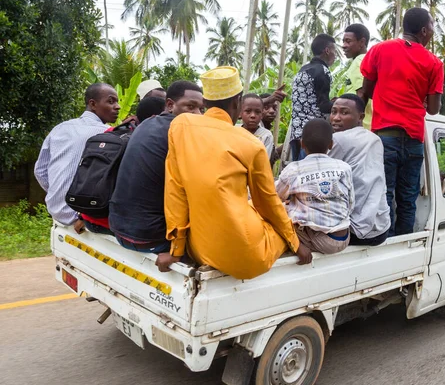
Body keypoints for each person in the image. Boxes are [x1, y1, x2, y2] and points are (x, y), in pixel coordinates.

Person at [160, 66, 312, 277]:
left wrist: (176, 250)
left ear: (205, 102)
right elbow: (267, 202)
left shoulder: (181, 126)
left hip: (199, 249)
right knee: (280, 219)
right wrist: (296, 245)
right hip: (246, 257)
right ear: (237, 103)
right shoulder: (251, 143)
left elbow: (175, 190)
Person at [361, 7, 444, 236]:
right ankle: (404, 244)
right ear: (425, 31)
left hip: (385, 137)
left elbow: (366, 90)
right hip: (414, 139)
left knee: (384, 195)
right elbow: (434, 109)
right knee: (407, 199)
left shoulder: (379, 50)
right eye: (433, 28)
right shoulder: (434, 63)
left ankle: (383, 242)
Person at [109, 81, 204, 255]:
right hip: (150, 237)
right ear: (170, 105)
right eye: (190, 107)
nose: (197, 114)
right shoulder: (180, 133)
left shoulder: (146, 124)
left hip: (119, 228)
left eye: (201, 109)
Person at [34, 83, 120, 232]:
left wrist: (58, 193)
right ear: (93, 104)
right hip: (83, 216)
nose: (117, 106)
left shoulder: (60, 128)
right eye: (111, 101)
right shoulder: (107, 135)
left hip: (55, 210)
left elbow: (40, 171)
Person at [276, 119, 354, 254]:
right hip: (344, 236)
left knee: (278, 213)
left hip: (320, 240)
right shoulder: (344, 167)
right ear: (331, 144)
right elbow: (350, 203)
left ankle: (297, 246)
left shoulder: (294, 169)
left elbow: (275, 196)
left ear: (302, 144)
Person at [329, 94, 390, 246]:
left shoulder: (338, 139)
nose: (336, 117)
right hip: (381, 228)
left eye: (344, 113)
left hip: (354, 231)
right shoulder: (375, 139)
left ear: (360, 117)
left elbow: (316, 176)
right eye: (333, 111)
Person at [289, 34, 337, 161]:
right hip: (313, 136)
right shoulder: (323, 71)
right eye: (334, 51)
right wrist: (340, 104)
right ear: (327, 51)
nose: (335, 55)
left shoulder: (304, 69)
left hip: (297, 133)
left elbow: (310, 100)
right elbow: (323, 106)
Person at [342, 23, 373, 131]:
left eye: (348, 41)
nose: (344, 45)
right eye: (343, 41)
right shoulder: (369, 59)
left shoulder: (360, 61)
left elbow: (361, 93)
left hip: (358, 126)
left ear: (362, 42)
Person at [240, 93, 275, 161]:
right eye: (248, 111)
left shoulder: (266, 135)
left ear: (261, 115)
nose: (253, 115)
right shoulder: (234, 130)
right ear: (240, 113)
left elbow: (264, 161)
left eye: (257, 112)